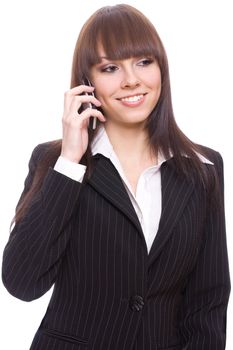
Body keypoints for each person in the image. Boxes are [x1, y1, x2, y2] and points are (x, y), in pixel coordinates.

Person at [1, 4, 230, 350]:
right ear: (86, 82)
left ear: (161, 68)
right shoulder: (55, 162)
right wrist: (70, 161)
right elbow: (22, 281)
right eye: (110, 68)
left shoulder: (203, 168)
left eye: (143, 62)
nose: (131, 80)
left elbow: (207, 305)